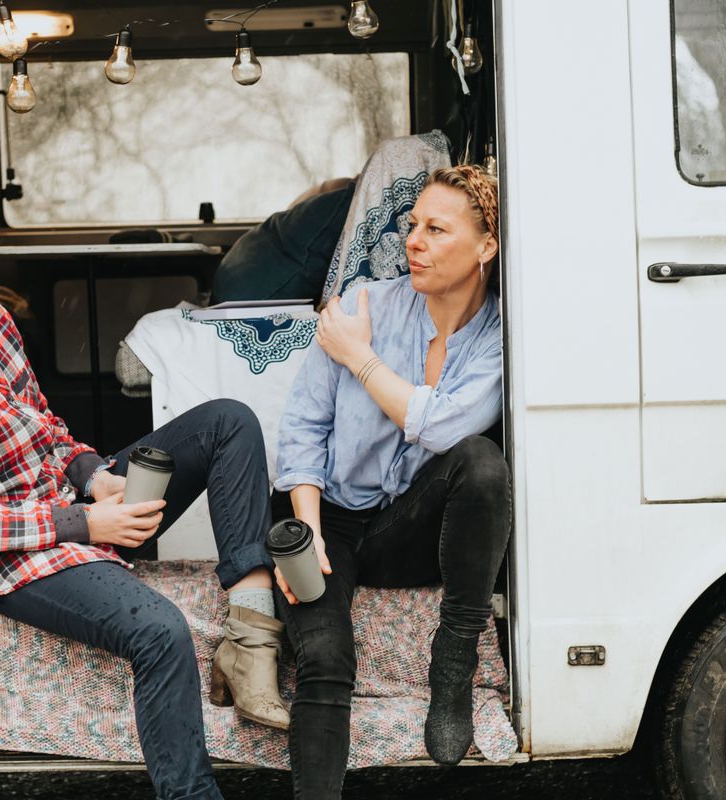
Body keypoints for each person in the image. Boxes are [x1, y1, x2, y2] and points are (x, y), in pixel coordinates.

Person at [0, 157, 287, 800]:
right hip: (1, 558)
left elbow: (43, 427)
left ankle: (249, 637)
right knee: (160, 631)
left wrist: (95, 475)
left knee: (228, 422)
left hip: (65, 501)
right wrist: (86, 523)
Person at [273, 164, 511, 798]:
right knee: (325, 661)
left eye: (437, 229)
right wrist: (308, 532)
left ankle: (455, 655)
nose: (414, 241)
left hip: (407, 525)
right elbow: (302, 429)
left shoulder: (499, 338)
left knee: (482, 463)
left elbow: (442, 428)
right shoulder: (364, 305)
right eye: (413, 225)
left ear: (485, 246)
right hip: (331, 515)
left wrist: (360, 356)